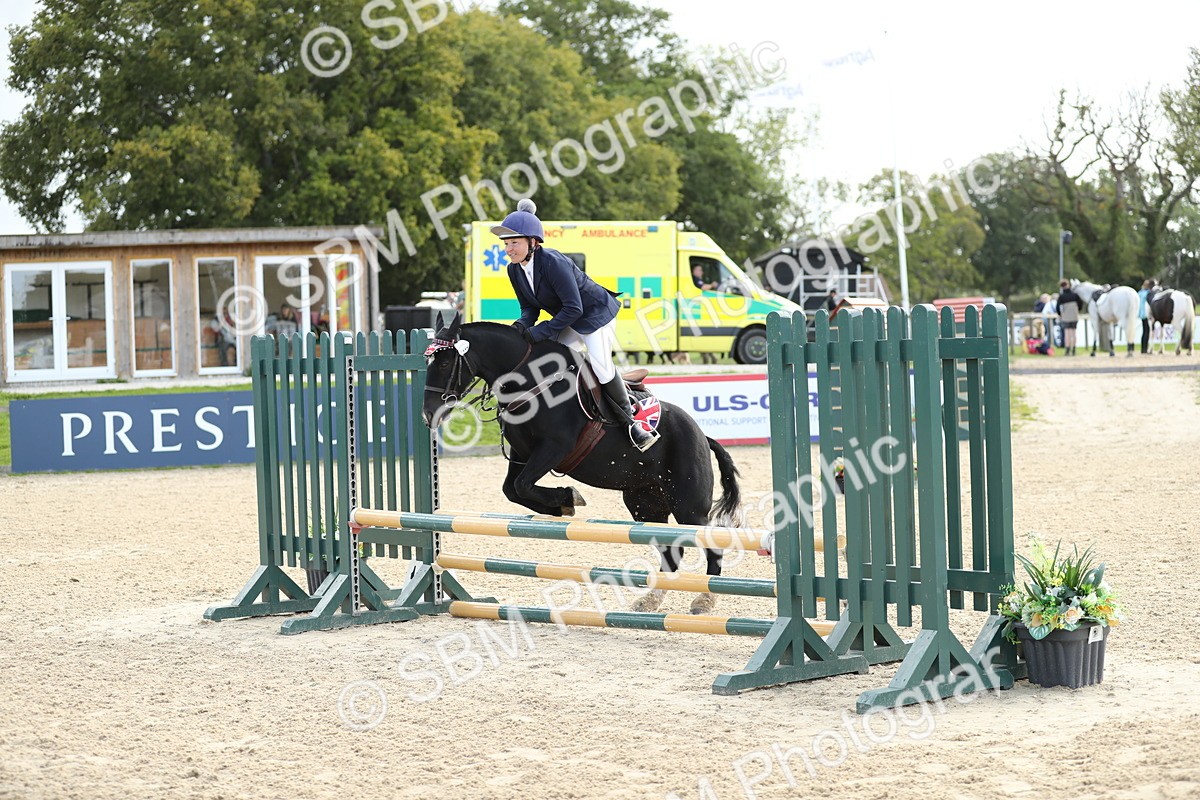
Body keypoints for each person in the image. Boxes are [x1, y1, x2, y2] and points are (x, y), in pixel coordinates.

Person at [493, 198, 658, 451]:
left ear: (533, 243)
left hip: (595, 316)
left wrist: (539, 332)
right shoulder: (514, 270)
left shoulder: (554, 263)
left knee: (601, 367)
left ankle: (632, 424)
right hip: (568, 317)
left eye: (514, 242)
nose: (509, 249)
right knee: (542, 357)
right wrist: (520, 328)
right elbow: (529, 308)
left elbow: (575, 307)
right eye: (506, 243)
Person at [1057, 279, 1081, 355]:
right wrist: (1077, 311)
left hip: (1066, 316)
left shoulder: (1061, 297)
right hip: (1074, 315)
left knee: (1067, 333)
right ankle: (1073, 349)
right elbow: (1080, 304)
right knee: (1073, 333)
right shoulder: (1075, 295)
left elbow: (1057, 307)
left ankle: (1067, 349)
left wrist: (1060, 314)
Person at [1139, 278, 1156, 354]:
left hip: (1141, 314)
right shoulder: (1149, 293)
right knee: (1147, 331)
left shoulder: (1140, 292)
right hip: (1147, 313)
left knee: (1144, 331)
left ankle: (1143, 349)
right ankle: (1145, 349)